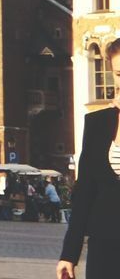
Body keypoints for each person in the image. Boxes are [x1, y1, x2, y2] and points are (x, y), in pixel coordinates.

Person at [58, 37, 120, 278]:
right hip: (104, 248)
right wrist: (69, 255)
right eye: (118, 73)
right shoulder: (97, 123)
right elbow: (84, 193)